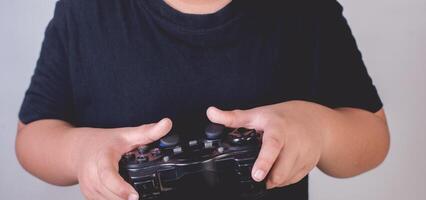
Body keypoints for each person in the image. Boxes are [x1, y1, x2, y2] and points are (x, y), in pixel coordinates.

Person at [15, 0, 390, 200]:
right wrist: (79, 152)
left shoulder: (307, 9)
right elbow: (33, 136)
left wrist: (318, 129)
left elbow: (373, 136)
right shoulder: (85, 10)